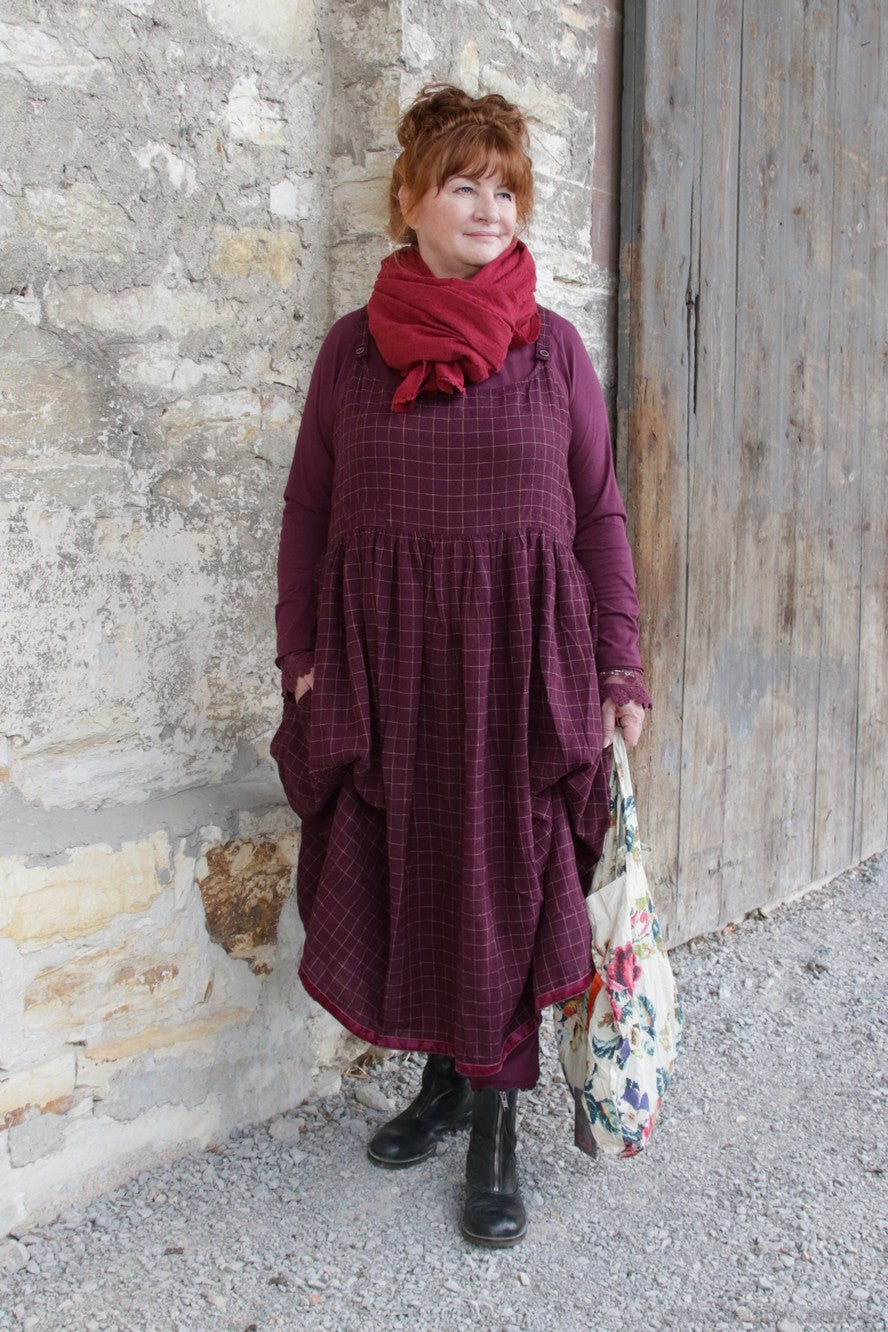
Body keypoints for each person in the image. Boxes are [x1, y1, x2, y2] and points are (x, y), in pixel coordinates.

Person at [272, 83, 650, 1248]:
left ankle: (496, 1118)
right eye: (464, 185)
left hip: (521, 674)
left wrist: (621, 667)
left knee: (509, 879)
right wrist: (303, 657)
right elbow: (307, 512)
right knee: (417, 870)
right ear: (410, 199)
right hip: (388, 671)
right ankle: (444, 1078)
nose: (491, 208)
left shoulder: (554, 351)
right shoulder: (350, 352)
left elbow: (599, 516)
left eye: (507, 190)